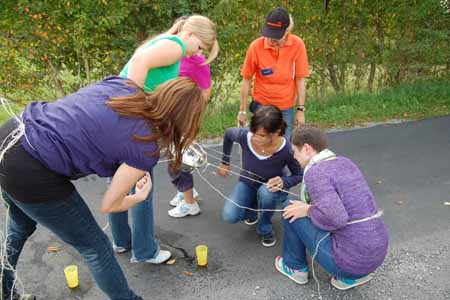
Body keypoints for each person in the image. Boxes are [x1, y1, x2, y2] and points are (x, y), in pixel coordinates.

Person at [0, 77, 207, 300]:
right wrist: (139, 196)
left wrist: (131, 166)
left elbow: (101, 129)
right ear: (186, 120)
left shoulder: (124, 86)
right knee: (96, 248)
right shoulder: (145, 147)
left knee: (20, 227)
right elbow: (109, 205)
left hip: (11, 134)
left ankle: (4, 288)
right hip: (32, 169)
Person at [109, 15, 218, 262]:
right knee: (142, 184)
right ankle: (145, 251)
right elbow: (139, 62)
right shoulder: (176, 46)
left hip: (119, 119)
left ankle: (121, 240)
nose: (197, 53)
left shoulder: (164, 41)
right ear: (190, 34)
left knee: (119, 178)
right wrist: (136, 104)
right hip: (135, 119)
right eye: (200, 46)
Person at [275, 125, 389, 290]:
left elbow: (336, 218)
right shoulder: (344, 162)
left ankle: (295, 267)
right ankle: (351, 278)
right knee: (306, 210)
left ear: (306, 148)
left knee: (290, 208)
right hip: (376, 254)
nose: (294, 156)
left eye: (295, 151)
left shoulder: (316, 172)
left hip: (349, 264)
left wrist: (307, 210)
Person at [218, 105, 302, 247]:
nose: (255, 138)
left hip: (272, 189)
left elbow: (299, 174)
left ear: (275, 133)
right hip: (248, 182)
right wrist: (225, 162)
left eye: (261, 135)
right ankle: (253, 211)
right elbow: (228, 134)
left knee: (266, 193)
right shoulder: (245, 136)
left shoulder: (287, 149)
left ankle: (265, 228)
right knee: (229, 216)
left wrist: (284, 181)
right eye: (253, 131)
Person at [237, 7, 309, 140]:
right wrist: (242, 110)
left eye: (276, 35)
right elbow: (246, 80)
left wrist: (300, 110)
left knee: (283, 146)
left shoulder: (297, 45)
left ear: (287, 31)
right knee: (259, 143)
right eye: (269, 33)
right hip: (261, 107)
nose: (271, 39)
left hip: (285, 108)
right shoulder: (255, 47)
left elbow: (300, 79)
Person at [167, 54, 212, 218]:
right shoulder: (174, 56)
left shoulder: (198, 62)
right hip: (172, 115)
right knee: (173, 159)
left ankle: (190, 204)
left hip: (185, 117)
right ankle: (186, 192)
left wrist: (189, 119)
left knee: (178, 161)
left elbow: (206, 93)